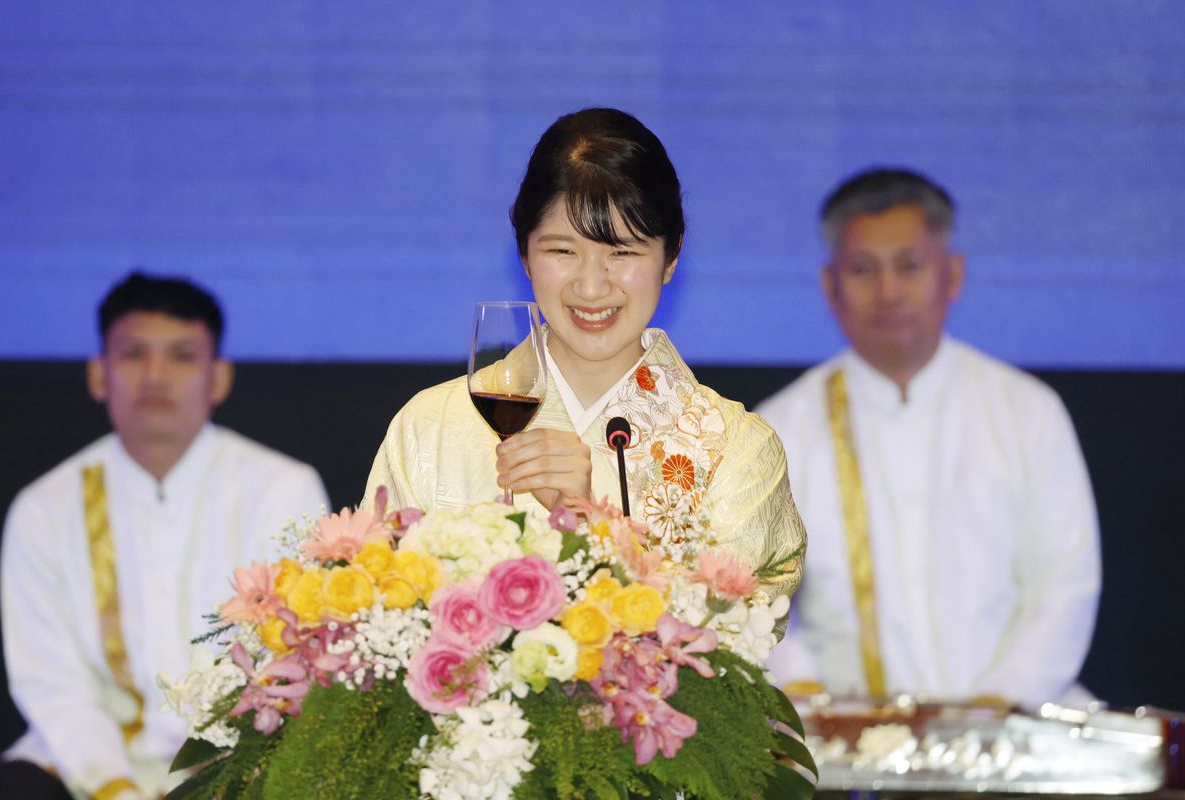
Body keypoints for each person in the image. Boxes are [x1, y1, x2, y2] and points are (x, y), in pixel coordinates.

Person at [364, 107, 805, 607]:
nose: (592, 286)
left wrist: (589, 526)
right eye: (563, 252)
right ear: (525, 255)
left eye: (623, 253)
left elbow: (733, 657)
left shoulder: (737, 453)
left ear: (672, 257)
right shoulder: (431, 428)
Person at [757, 168, 1101, 706]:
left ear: (954, 275)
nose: (887, 291)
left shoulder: (1025, 411)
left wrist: (996, 705)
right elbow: (752, 597)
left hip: (1016, 724)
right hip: (844, 745)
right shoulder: (778, 430)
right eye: (863, 270)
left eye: (909, 266)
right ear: (829, 286)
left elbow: (1064, 584)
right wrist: (808, 698)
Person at [0, 272, 329, 800]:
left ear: (219, 377)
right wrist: (114, 789)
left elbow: (293, 657)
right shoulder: (44, 508)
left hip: (233, 760)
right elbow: (52, 684)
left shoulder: (282, 490)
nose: (155, 375)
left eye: (181, 356)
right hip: (79, 766)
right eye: (133, 354)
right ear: (99, 374)